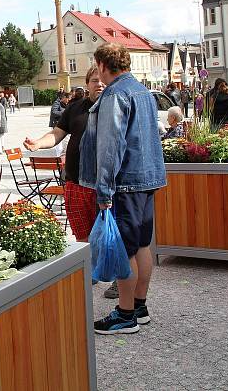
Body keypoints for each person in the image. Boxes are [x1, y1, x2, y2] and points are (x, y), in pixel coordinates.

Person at [79, 43, 166, 335]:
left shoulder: (115, 95)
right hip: (148, 179)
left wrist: (103, 191)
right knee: (142, 245)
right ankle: (139, 307)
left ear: (103, 65)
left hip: (125, 183)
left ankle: (125, 315)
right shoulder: (143, 91)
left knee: (123, 249)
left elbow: (110, 147)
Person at [24, 66, 104, 244]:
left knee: (106, 240)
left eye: (103, 80)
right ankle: (88, 271)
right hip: (74, 184)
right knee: (82, 240)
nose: (99, 84)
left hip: (102, 185)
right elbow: (57, 134)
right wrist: (38, 143)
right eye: (94, 81)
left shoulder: (113, 108)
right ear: (87, 84)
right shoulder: (75, 108)